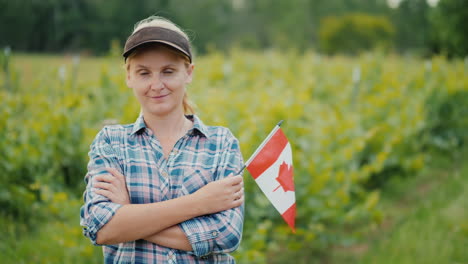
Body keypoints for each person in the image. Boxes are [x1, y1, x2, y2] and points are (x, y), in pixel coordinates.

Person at [80, 16, 245, 263]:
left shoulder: (221, 143)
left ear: (188, 73)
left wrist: (128, 216)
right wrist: (199, 203)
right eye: (144, 73)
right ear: (129, 77)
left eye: (168, 71)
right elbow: (101, 228)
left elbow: (226, 235)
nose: (156, 85)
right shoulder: (111, 142)